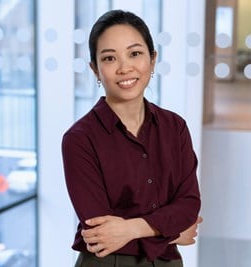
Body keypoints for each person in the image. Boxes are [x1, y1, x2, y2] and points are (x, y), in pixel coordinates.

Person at [62, 9, 202, 267]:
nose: (125, 67)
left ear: (153, 59)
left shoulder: (175, 127)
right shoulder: (79, 140)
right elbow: (100, 233)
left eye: (135, 53)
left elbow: (189, 205)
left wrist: (132, 228)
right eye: (109, 58)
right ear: (95, 69)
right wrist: (171, 231)